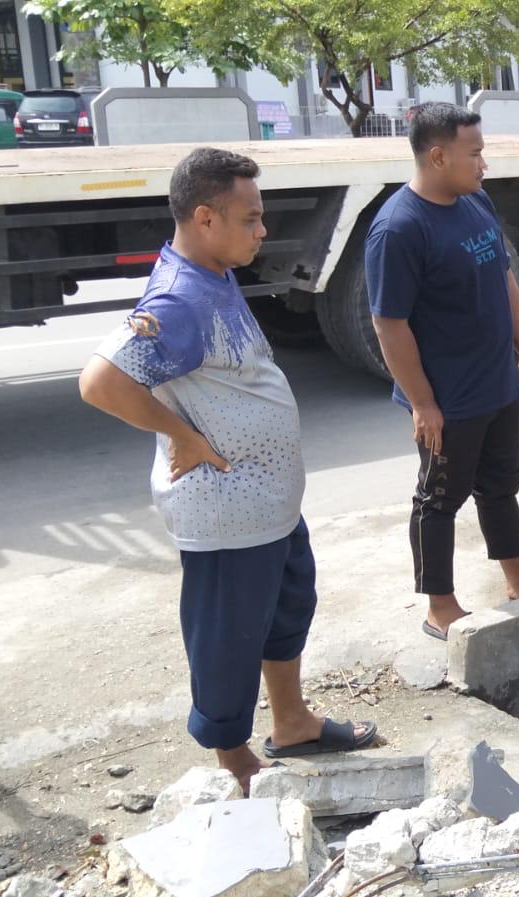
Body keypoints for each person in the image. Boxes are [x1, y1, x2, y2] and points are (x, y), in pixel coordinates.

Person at [79, 147, 377, 792]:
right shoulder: (180, 298)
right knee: (227, 635)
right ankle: (233, 760)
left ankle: (292, 721)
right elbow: (100, 382)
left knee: (286, 608)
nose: (262, 231)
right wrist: (178, 432)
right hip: (226, 510)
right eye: (252, 218)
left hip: (266, 503)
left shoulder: (212, 274)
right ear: (207, 217)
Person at [366, 103, 519, 642]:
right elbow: (389, 324)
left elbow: (504, 280)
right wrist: (423, 403)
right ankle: (440, 607)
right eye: (475, 154)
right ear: (438, 156)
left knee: (501, 484)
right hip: (449, 398)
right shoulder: (398, 229)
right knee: (439, 498)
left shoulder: (476, 201)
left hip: (496, 384)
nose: (484, 163)